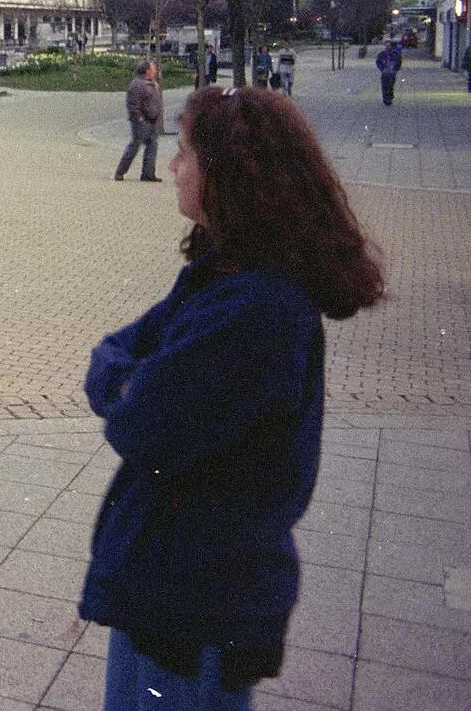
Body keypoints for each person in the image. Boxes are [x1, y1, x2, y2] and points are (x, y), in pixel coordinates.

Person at [82, 85, 385, 711]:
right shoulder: (226, 274)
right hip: (171, 590)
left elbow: (142, 423)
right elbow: (117, 352)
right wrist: (131, 377)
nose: (171, 165)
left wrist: (131, 383)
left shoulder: (254, 308)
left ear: (227, 174)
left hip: (198, 606)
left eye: (185, 152)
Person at [115, 60, 163, 182]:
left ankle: (148, 173)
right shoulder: (137, 84)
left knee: (152, 147)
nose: (155, 71)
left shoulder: (153, 84)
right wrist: (139, 119)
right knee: (134, 146)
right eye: (153, 69)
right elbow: (132, 104)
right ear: (147, 71)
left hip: (152, 120)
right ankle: (120, 171)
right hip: (142, 122)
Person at [375, 40, 402, 106]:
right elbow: (378, 62)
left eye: (389, 46)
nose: (387, 47)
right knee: (384, 86)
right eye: (386, 46)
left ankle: (390, 97)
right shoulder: (382, 54)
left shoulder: (395, 54)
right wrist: (382, 68)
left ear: (391, 46)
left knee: (390, 86)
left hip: (392, 73)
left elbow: (399, 62)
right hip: (384, 72)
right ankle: (385, 99)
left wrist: (395, 69)